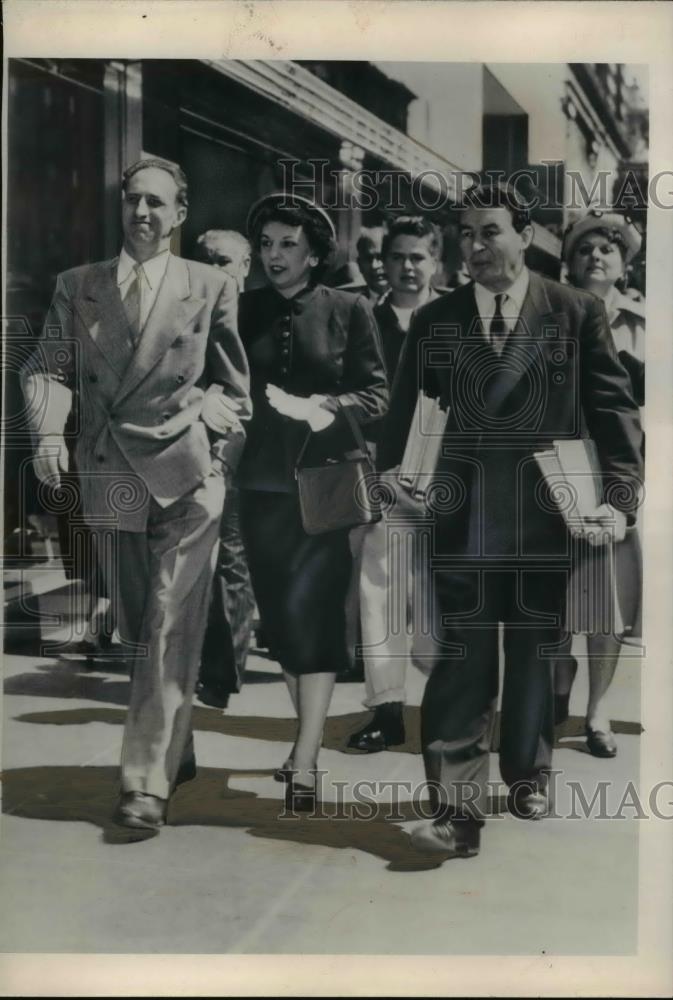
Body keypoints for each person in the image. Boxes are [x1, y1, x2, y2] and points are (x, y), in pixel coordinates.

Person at [380, 183, 643, 858]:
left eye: (489, 231)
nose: (475, 246)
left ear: (524, 236)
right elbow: (404, 414)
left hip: (546, 512)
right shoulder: (434, 322)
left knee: (536, 651)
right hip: (459, 512)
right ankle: (455, 810)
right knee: (460, 657)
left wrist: (618, 498)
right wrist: (390, 474)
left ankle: (529, 772)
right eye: (466, 234)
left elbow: (612, 410)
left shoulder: (574, 311)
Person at [23, 157, 251, 833]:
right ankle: (171, 745)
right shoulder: (79, 285)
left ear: (179, 214)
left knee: (167, 624)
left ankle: (143, 785)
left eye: (157, 203)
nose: (143, 213)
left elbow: (235, 385)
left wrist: (217, 426)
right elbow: (46, 368)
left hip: (186, 478)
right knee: (136, 626)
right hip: (110, 477)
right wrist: (45, 435)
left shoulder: (209, 286)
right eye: (133, 201)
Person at [210, 192, 388, 809]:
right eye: (266, 244)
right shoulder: (241, 310)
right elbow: (221, 383)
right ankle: (304, 739)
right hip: (260, 489)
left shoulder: (351, 309)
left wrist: (325, 409)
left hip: (327, 487)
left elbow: (376, 396)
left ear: (314, 251)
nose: (275, 255)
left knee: (313, 621)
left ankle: (307, 760)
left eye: (289, 243)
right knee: (283, 627)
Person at [346, 215, 444, 753]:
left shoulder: (456, 314)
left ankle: (450, 706)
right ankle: (386, 709)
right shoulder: (363, 316)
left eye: (418, 257)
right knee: (380, 589)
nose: (408, 267)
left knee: (443, 595)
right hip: (383, 470)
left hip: (448, 472)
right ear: (382, 263)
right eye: (397, 257)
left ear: (435, 263)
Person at [553, 210, 645, 756]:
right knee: (556, 592)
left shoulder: (640, 324)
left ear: (624, 263)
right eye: (585, 248)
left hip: (618, 467)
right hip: (558, 463)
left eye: (608, 249)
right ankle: (553, 698)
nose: (596, 257)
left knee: (607, 595)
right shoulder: (550, 311)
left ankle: (598, 711)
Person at [194, 229, 256, 709]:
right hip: (193, 449)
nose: (216, 270)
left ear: (246, 266)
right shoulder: (186, 309)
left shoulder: (255, 315)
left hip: (244, 451)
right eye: (207, 260)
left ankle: (221, 673)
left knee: (231, 559)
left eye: (226, 262)